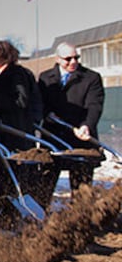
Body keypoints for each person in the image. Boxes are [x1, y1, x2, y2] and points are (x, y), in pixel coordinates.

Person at [0, 40, 44, 224]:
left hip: (14, 132)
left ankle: (14, 214)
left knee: (14, 175)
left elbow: (21, 101)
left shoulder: (16, 74)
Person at [38, 42, 105, 200]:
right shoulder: (45, 78)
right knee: (44, 185)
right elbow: (39, 103)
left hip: (81, 140)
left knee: (82, 190)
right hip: (53, 138)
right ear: (58, 59)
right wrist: (47, 115)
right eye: (68, 59)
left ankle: (80, 220)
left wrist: (87, 125)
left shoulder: (91, 78)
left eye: (76, 58)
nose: (73, 62)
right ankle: (39, 219)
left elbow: (94, 105)